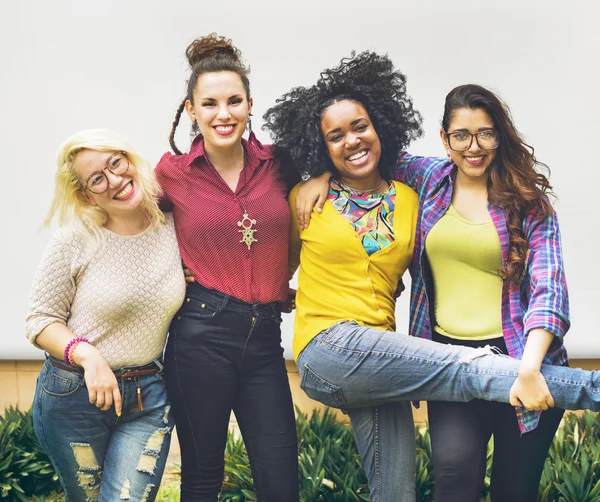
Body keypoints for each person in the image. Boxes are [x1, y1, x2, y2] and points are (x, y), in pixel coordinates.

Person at [263, 51, 600, 502]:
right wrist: (313, 176)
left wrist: (531, 367)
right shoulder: (404, 184)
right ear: (445, 139)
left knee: (457, 492)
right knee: (456, 462)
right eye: (461, 135)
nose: (473, 146)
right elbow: (352, 166)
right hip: (381, 349)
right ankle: (591, 389)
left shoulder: (499, 202)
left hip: (498, 356)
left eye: (484, 133)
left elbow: (548, 292)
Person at [155, 34, 299, 502]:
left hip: (263, 339)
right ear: (191, 110)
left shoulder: (281, 166)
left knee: (281, 481)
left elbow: (316, 211)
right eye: (210, 103)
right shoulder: (170, 174)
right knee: (202, 478)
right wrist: (171, 270)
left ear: (250, 104)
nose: (224, 114)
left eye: (234, 101)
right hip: (199, 336)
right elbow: (130, 229)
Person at [26, 129, 186, 501]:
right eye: (98, 178)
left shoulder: (175, 227)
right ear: (86, 194)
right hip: (74, 396)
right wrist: (88, 354)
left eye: (116, 163)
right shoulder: (74, 239)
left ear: (129, 158)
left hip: (148, 397)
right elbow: (39, 320)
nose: (115, 179)